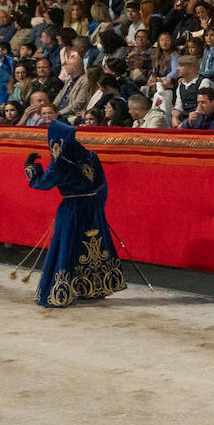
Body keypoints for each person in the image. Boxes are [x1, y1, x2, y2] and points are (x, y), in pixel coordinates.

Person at [21, 121, 126, 308]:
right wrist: (98, 206)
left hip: (72, 208)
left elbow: (43, 184)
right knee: (91, 247)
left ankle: (61, 291)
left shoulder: (60, 163)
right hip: (93, 207)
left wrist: (31, 168)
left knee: (67, 246)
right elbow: (103, 185)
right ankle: (93, 287)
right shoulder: (91, 156)